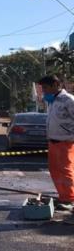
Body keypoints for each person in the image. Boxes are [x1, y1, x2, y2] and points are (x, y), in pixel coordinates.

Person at [38, 75, 74, 211]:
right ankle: (64, 196)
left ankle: (70, 199)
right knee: (55, 171)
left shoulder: (68, 100)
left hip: (66, 142)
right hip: (53, 142)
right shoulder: (53, 101)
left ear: (55, 85)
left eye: (45, 88)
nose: (44, 91)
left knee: (66, 171)